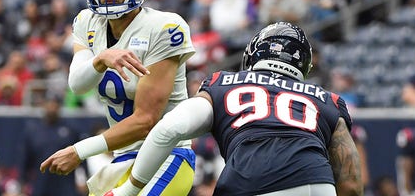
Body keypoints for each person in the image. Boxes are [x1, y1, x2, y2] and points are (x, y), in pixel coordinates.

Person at [105, 22, 363, 196]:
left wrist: (128, 190)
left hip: (246, 181)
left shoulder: (222, 83)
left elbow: (169, 129)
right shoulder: (327, 99)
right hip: (314, 184)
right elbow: (350, 185)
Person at [39, 0, 196, 196]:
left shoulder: (164, 27)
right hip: (123, 158)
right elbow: (78, 85)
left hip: (166, 154)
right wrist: (100, 60)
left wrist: (79, 151)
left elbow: (145, 121)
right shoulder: (87, 22)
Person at [19, 94, 83, 196]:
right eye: (49, 104)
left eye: (55, 104)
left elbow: (81, 158)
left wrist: (82, 179)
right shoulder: (33, 130)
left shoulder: (71, 129)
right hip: (41, 185)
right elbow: (26, 159)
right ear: (44, 105)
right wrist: (22, 182)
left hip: (65, 185)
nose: (52, 107)